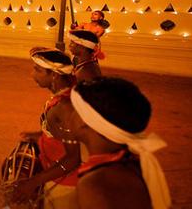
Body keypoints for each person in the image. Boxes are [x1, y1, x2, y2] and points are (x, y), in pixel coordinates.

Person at [65, 78, 170, 209]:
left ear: (84, 120)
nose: (70, 115)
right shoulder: (129, 160)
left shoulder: (96, 184)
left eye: (75, 109)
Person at [10, 48, 79, 208]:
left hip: (66, 182)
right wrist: (41, 135)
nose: (32, 74)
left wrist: (34, 181)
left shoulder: (65, 107)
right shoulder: (62, 98)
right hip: (56, 174)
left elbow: (74, 158)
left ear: (54, 75)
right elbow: (60, 134)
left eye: (37, 70)